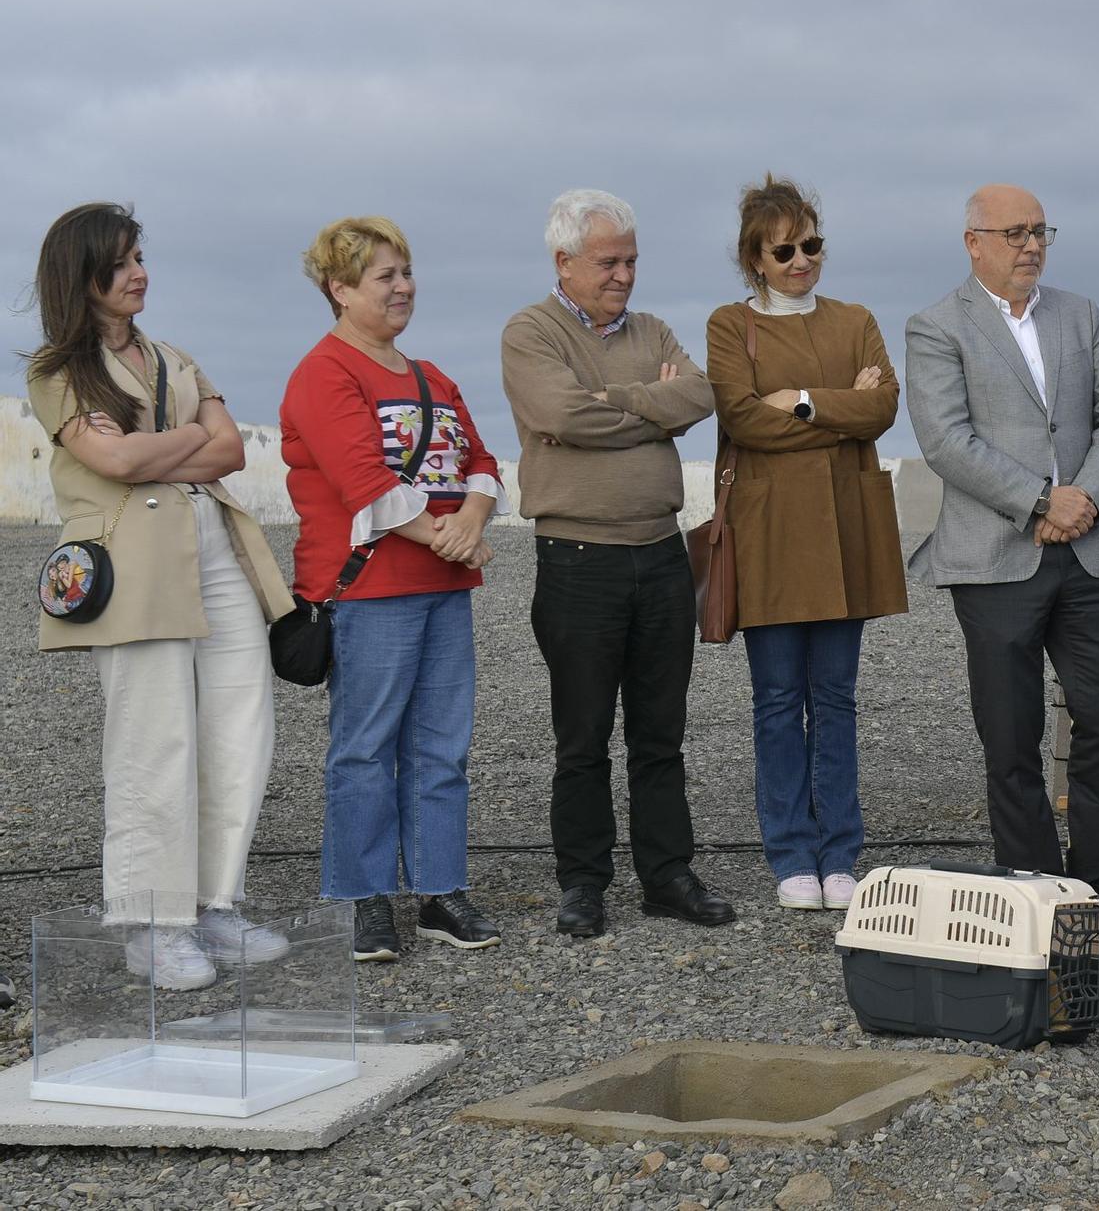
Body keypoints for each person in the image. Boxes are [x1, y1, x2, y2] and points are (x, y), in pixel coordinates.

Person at [26, 203, 294, 990]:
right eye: (120, 262)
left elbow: (231, 449)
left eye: (139, 257)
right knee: (154, 736)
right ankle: (152, 923)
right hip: (131, 561)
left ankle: (215, 903)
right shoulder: (56, 370)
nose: (138, 273)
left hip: (215, 546)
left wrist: (155, 448)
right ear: (82, 275)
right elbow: (114, 463)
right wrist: (188, 439)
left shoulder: (174, 356)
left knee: (241, 720)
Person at [905, 183, 1099, 924]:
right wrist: (1043, 501)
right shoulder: (935, 327)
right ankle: (1036, 885)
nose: (1031, 245)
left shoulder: (1079, 316)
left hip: (1089, 550)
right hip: (994, 559)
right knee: (1011, 732)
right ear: (973, 243)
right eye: (1014, 233)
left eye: (1040, 231)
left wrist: (1084, 500)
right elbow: (947, 441)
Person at [501, 189, 731, 937]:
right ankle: (584, 882)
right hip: (578, 559)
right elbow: (560, 414)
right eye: (608, 262)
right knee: (583, 735)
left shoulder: (654, 328)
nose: (624, 275)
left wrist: (614, 401)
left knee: (661, 733)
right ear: (564, 261)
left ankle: (667, 874)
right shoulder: (530, 333)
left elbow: (700, 395)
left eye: (631, 260)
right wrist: (651, 411)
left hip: (661, 554)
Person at [283, 216, 507, 962]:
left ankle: (441, 891)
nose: (404, 286)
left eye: (406, 272)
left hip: (444, 585)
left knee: (443, 746)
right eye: (385, 276)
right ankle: (361, 897)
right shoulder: (323, 373)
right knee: (366, 747)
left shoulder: (431, 375)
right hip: (370, 591)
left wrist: (471, 519)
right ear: (340, 290)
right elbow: (363, 483)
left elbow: (481, 461)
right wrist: (449, 535)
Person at [704, 177, 907, 911]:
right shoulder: (730, 326)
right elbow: (741, 418)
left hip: (845, 529)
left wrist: (798, 401)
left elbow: (883, 408)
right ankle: (791, 852)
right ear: (754, 259)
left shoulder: (856, 319)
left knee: (837, 699)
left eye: (811, 245)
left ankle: (839, 852)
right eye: (784, 250)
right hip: (769, 535)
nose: (802, 260)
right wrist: (840, 409)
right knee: (777, 699)